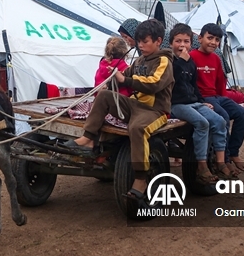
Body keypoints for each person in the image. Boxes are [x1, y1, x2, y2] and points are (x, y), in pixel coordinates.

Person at [65, 19, 173, 205]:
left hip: (155, 110)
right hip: (135, 104)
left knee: (137, 129)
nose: (140, 45)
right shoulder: (140, 60)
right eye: (138, 41)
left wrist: (125, 80)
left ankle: (140, 178)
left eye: (145, 41)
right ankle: (88, 138)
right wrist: (113, 74)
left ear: (158, 41)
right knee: (105, 95)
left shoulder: (164, 61)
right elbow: (127, 74)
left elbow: (154, 84)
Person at [168, 24, 233, 183]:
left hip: (193, 102)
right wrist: (181, 62)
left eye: (186, 41)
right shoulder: (169, 61)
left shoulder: (190, 62)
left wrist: (202, 102)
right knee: (202, 123)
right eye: (178, 41)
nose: (182, 45)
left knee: (219, 120)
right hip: (176, 104)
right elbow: (172, 81)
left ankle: (220, 161)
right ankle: (201, 165)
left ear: (191, 43)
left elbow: (193, 85)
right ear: (171, 43)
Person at [189, 23, 244, 173]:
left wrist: (227, 101)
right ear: (199, 38)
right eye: (210, 38)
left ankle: (234, 152)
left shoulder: (216, 59)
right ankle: (225, 159)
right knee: (223, 117)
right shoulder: (191, 57)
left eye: (217, 40)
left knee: (242, 114)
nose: (213, 42)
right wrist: (200, 101)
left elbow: (220, 84)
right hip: (202, 98)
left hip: (216, 96)